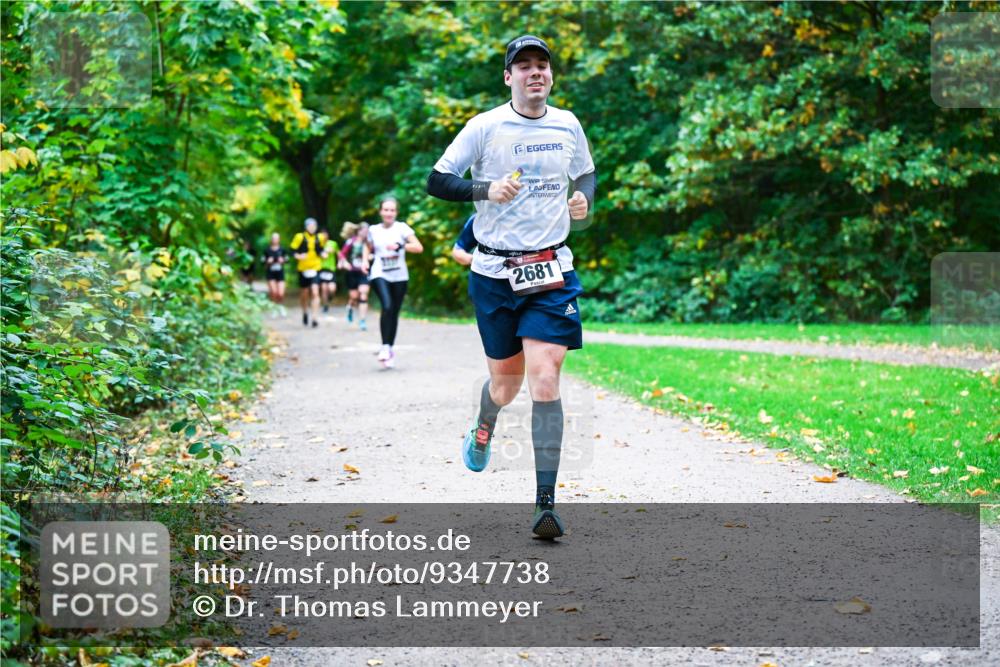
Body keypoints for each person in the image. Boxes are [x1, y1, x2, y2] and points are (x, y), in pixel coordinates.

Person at [426, 34, 596, 539]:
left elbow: (585, 173)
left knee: (545, 376)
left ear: (551, 75)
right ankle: (485, 424)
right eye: (523, 66)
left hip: (550, 272)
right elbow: (437, 180)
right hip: (494, 275)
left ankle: (546, 503)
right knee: (505, 385)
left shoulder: (567, 124)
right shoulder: (485, 127)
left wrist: (583, 203)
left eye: (542, 64)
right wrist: (486, 189)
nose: (534, 72)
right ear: (508, 77)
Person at [365, 197, 423, 368]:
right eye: (386, 210)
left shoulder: (402, 228)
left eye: (392, 210)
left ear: (396, 212)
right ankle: (384, 347)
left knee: (394, 312)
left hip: (399, 275)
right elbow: (367, 247)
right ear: (380, 211)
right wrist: (363, 261)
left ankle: (389, 348)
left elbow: (418, 247)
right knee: (387, 306)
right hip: (379, 272)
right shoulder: (373, 230)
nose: (389, 213)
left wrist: (401, 246)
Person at [289, 217, 327, 328]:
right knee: (304, 293)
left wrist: (324, 254)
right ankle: (305, 311)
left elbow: (321, 250)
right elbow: (292, 250)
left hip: (316, 267)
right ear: (306, 227)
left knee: (315, 292)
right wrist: (299, 256)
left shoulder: (320, 237)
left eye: (314, 226)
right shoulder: (299, 237)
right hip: (303, 269)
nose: (312, 228)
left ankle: (315, 317)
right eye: (310, 226)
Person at [338, 221, 371, 331]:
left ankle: (362, 320)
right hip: (352, 272)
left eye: (367, 231)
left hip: (364, 272)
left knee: (364, 293)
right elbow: (342, 254)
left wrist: (370, 256)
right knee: (354, 296)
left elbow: (377, 252)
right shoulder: (350, 242)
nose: (366, 232)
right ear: (359, 231)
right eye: (364, 230)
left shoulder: (369, 243)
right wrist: (344, 263)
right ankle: (350, 307)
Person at [318, 228, 340, 314]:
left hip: (331, 269)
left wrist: (340, 262)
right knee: (324, 289)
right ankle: (325, 305)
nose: (324, 236)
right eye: (322, 234)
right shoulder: (318, 244)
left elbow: (339, 253)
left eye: (325, 234)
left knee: (332, 289)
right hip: (322, 268)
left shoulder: (333, 243)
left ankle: (330, 297)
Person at [263, 232, 288, 304]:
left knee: (280, 293)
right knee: (274, 292)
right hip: (270, 273)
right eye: (274, 238)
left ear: (279, 239)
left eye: (276, 238)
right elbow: (263, 261)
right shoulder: (267, 250)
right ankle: (274, 306)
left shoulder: (282, 250)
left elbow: (287, 260)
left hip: (280, 273)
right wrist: (268, 261)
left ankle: (279, 305)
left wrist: (283, 260)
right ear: (271, 239)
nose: (275, 240)